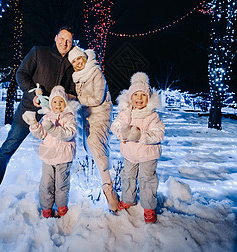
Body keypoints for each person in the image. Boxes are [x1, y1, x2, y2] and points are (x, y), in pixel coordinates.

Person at [0, 26, 76, 227]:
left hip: (53, 121)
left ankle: (55, 203)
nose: (65, 43)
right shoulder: (39, 52)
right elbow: (21, 74)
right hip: (27, 113)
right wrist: (33, 95)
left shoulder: (71, 64)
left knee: (57, 160)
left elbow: (72, 91)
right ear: (55, 38)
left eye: (69, 41)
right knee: (6, 150)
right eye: (62, 38)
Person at [68, 46, 119, 212]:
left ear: (84, 58)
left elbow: (97, 98)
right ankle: (105, 185)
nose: (77, 63)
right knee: (92, 148)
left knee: (95, 144)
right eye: (74, 61)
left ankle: (108, 189)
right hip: (88, 118)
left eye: (79, 59)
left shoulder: (95, 72)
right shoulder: (77, 77)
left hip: (101, 116)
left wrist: (77, 99)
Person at [110, 72, 165, 223]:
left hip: (148, 155)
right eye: (136, 95)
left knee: (147, 179)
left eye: (143, 95)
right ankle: (128, 199)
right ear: (130, 97)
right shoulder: (125, 113)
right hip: (129, 154)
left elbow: (158, 134)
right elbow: (115, 126)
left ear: (148, 98)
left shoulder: (152, 116)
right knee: (128, 176)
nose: (139, 99)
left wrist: (140, 136)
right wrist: (123, 134)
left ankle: (148, 207)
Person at [22, 85, 79, 218]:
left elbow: (69, 133)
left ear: (65, 103)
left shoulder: (69, 117)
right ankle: (46, 207)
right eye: (55, 101)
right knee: (46, 184)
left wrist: (53, 129)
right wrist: (34, 125)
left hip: (64, 157)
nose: (58, 104)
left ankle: (61, 206)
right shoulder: (47, 117)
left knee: (61, 185)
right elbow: (41, 134)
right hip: (48, 156)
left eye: (61, 101)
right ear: (51, 103)